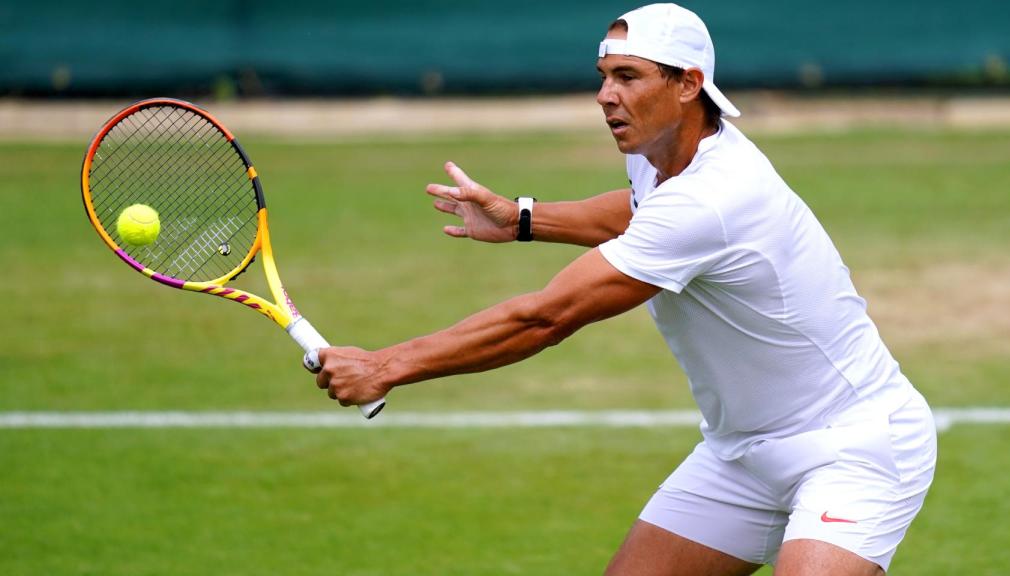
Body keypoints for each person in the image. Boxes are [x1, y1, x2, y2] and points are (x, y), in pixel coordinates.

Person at [310, 4, 937, 575]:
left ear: (688, 84)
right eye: (604, 76)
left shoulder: (714, 198)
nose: (606, 96)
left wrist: (385, 365)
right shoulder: (660, 154)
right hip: (740, 454)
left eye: (629, 77)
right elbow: (641, 213)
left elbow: (545, 318)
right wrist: (524, 218)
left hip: (854, 447)